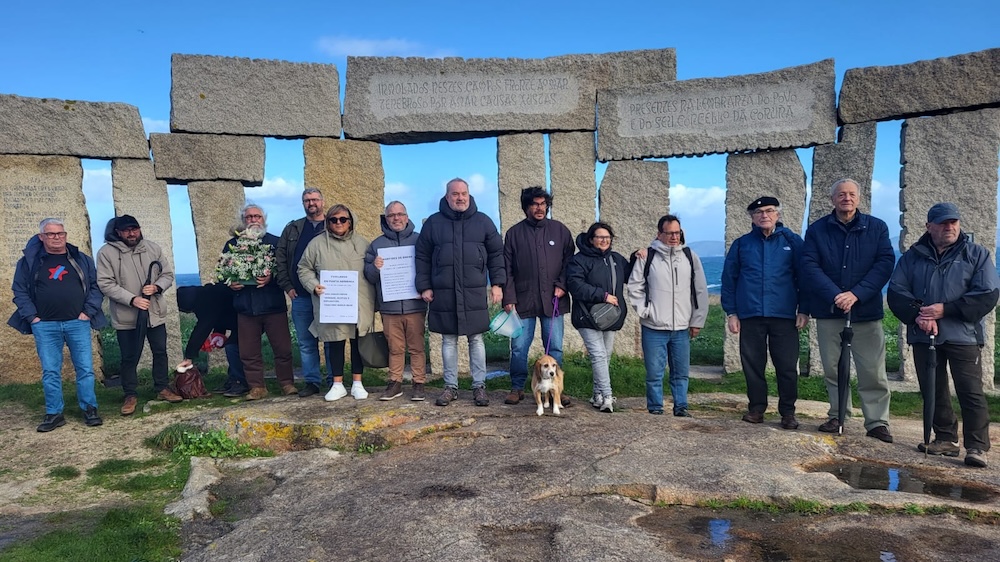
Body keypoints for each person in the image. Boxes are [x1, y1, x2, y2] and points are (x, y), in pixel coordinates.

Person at [887, 202, 999, 468]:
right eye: (942, 223)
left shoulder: (976, 254)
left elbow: (987, 294)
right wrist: (920, 316)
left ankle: (976, 446)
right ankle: (946, 438)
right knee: (933, 389)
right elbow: (897, 292)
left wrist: (945, 311)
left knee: (970, 391)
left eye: (953, 222)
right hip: (924, 334)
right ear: (929, 227)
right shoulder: (912, 256)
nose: (949, 227)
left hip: (963, 335)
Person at [801, 178, 895, 442]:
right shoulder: (817, 230)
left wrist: (857, 294)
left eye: (852, 194)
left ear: (859, 198)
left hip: (865, 311)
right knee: (833, 367)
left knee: (872, 369)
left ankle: (877, 422)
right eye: (841, 194)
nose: (847, 198)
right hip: (830, 310)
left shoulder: (877, 228)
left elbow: (885, 263)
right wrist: (836, 295)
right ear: (832, 199)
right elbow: (809, 265)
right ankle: (838, 414)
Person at [9, 218, 107, 431]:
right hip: (45, 326)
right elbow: (19, 290)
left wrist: (87, 313)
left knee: (85, 369)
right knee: (51, 371)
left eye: (60, 233)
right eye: (51, 234)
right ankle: (54, 413)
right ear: (41, 237)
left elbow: (95, 287)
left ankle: (90, 409)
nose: (57, 238)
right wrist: (32, 318)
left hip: (77, 323)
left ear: (65, 235)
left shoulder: (81, 259)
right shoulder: (29, 262)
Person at [415, 178, 505, 407]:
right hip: (444, 291)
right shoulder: (433, 223)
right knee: (448, 339)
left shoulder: (483, 221)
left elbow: (496, 254)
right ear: (447, 197)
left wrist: (497, 284)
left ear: (469, 194)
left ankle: (479, 387)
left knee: (476, 339)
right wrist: (424, 285)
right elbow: (423, 256)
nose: (460, 197)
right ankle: (450, 387)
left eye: (464, 193)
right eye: (455, 194)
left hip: (473, 291)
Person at [720, 197, 807, 429]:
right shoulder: (741, 244)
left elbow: (805, 278)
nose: (764, 215)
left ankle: (788, 413)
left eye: (769, 211)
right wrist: (732, 313)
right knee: (753, 366)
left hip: (785, 315)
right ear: (752, 217)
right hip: (750, 315)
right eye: (758, 212)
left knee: (787, 367)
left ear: (777, 214)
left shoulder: (793, 241)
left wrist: (804, 309)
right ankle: (757, 409)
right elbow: (729, 280)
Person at [97, 214, 183, 415]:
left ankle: (162, 387)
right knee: (129, 356)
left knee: (160, 352)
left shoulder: (152, 248)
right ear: (117, 232)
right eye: (126, 230)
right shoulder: (106, 253)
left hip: (154, 313)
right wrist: (132, 299)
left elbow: (167, 274)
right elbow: (105, 283)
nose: (132, 233)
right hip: (127, 316)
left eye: (134, 229)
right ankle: (130, 394)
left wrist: (158, 287)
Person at [626, 214, 708, 417]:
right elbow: (635, 286)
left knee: (681, 373)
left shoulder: (690, 256)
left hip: (681, 327)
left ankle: (681, 407)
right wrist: (646, 311)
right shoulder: (648, 257)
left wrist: (697, 320)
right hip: (654, 327)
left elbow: (700, 290)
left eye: (677, 232)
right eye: (669, 232)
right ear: (659, 234)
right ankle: (655, 408)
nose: (674, 236)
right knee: (654, 373)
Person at [502, 187, 574, 406]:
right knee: (519, 348)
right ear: (526, 207)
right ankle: (517, 387)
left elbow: (569, 262)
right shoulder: (514, 233)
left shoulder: (560, 230)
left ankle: (557, 391)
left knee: (555, 349)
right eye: (534, 204)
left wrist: (562, 285)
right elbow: (507, 269)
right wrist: (509, 298)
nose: (539, 208)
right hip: (523, 301)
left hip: (553, 300)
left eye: (543, 204)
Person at [298, 204, 376, 401]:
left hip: (359, 301)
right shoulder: (316, 244)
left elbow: (372, 270)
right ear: (328, 222)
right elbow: (303, 268)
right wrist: (313, 285)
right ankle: (338, 383)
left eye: (343, 219)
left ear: (350, 222)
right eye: (334, 220)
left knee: (358, 341)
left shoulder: (363, 243)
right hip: (332, 303)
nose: (338, 223)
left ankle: (358, 382)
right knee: (335, 340)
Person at [225, 203, 297, 400]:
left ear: (264, 219)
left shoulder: (275, 242)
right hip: (246, 307)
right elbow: (224, 271)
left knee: (282, 348)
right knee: (249, 352)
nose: (253, 220)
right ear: (243, 220)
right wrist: (231, 282)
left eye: (257, 216)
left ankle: (287, 383)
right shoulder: (233, 244)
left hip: (273, 305)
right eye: (249, 217)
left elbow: (284, 271)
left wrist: (270, 279)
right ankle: (257, 387)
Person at [364, 201, 428, 401]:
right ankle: (395, 382)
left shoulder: (420, 240)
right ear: (386, 218)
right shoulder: (376, 245)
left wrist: (425, 288)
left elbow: (428, 268)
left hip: (414, 304)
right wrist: (375, 267)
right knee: (395, 347)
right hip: (390, 307)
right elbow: (369, 276)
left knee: (417, 346)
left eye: (400, 214)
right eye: (391, 215)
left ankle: (419, 383)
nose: (396, 218)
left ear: (407, 217)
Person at [567, 222, 629, 412]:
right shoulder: (579, 260)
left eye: (607, 238)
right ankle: (608, 396)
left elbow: (632, 275)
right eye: (600, 237)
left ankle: (597, 395)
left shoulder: (616, 259)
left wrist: (638, 256)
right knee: (599, 355)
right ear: (591, 239)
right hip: (586, 316)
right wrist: (602, 296)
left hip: (610, 317)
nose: (604, 241)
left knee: (605, 356)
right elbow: (575, 285)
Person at [276, 187, 329, 398]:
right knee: (306, 342)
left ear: (322, 201)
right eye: (307, 200)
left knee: (331, 339)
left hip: (328, 294)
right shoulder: (293, 229)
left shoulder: (334, 224)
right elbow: (280, 258)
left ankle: (335, 380)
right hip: (301, 296)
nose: (311, 203)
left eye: (315, 199)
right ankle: (312, 381)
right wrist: (287, 286)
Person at [176, 282, 247, 396]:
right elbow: (220, 313)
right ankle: (234, 379)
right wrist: (218, 334)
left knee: (232, 347)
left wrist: (189, 356)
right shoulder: (207, 293)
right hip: (239, 319)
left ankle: (241, 382)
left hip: (247, 319)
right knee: (232, 346)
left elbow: (203, 327)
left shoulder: (205, 302)